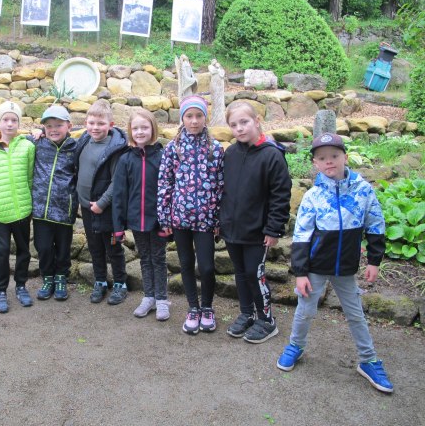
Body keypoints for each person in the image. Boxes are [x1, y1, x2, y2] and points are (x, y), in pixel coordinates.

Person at [276, 133, 394, 394]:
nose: (329, 161)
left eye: (334, 156)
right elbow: (301, 235)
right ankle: (295, 346)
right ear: (315, 163)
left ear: (345, 157)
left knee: (355, 314)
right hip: (315, 268)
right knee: (305, 310)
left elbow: (375, 224)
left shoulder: (363, 191)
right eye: (322, 158)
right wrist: (300, 273)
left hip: (346, 268)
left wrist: (374, 261)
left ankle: (369, 360)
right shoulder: (313, 196)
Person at [220, 101, 292, 343]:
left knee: (254, 273)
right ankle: (247, 313)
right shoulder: (231, 153)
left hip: (257, 231)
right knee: (240, 273)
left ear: (257, 121)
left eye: (244, 122)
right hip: (233, 228)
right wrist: (222, 221)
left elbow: (280, 196)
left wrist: (273, 229)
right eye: (233, 125)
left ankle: (266, 319)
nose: (239, 128)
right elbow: (225, 191)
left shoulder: (272, 155)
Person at [157, 95, 224, 335]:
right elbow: (165, 183)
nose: (194, 121)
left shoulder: (215, 149)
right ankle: (193, 308)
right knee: (186, 264)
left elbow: (221, 186)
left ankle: (207, 307)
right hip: (180, 219)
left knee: (206, 267)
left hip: (206, 220)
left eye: (198, 116)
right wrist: (165, 217)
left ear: (205, 118)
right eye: (189, 116)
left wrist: (218, 219)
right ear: (182, 118)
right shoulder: (173, 148)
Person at [0, 101, 35, 313]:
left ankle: (21, 286)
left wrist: (30, 202)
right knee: (1, 252)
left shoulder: (27, 147)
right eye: (5, 119)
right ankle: (0, 290)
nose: (10, 124)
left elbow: (31, 178)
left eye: (14, 120)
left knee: (24, 250)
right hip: (1, 212)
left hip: (22, 211)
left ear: (19, 123)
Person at [112, 109, 170, 320]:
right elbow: (119, 195)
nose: (140, 132)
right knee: (145, 258)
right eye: (135, 128)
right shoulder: (126, 160)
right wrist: (118, 227)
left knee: (159, 259)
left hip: (159, 221)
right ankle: (149, 297)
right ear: (130, 131)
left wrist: (168, 222)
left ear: (153, 129)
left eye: (144, 127)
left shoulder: (163, 157)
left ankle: (162, 299)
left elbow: (170, 191)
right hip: (137, 221)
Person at [75, 100, 128, 305]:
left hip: (107, 210)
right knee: (95, 246)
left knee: (113, 247)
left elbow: (117, 181)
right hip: (87, 207)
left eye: (100, 124)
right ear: (85, 123)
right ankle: (100, 281)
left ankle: (120, 283)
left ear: (111, 125)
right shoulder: (84, 141)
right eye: (91, 123)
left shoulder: (115, 149)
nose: (95, 127)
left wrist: (102, 203)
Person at [30, 105, 78, 301]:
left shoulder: (76, 147)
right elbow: (11, 137)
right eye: (49, 126)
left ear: (69, 126)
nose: (53, 129)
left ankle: (61, 278)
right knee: (43, 247)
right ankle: (47, 277)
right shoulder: (37, 143)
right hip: (41, 209)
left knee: (63, 248)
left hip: (64, 209)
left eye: (59, 125)